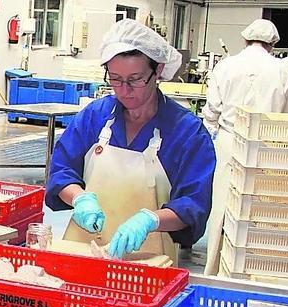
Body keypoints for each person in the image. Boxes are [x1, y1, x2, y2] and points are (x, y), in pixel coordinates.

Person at [45, 18, 216, 264]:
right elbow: (61, 171)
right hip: (83, 252)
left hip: (149, 260)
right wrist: (79, 199)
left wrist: (150, 220)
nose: (124, 90)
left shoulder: (187, 133)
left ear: (157, 71)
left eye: (135, 79)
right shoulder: (94, 117)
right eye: (115, 79)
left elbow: (193, 204)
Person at [202, 19, 288, 276]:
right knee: (261, 215)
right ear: (273, 45)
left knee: (222, 208)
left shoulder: (226, 65)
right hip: (268, 146)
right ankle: (257, 272)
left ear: (245, 40)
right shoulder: (284, 69)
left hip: (230, 141)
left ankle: (214, 270)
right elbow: (287, 114)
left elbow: (211, 112)